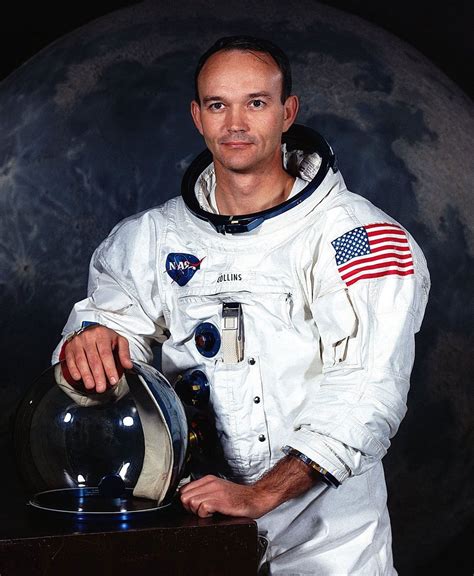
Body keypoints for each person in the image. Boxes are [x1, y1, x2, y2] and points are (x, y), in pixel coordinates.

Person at [53, 36, 430, 575]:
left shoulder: (358, 237)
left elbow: (369, 389)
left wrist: (260, 493)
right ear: (197, 117)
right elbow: (108, 338)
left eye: (255, 102)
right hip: (199, 526)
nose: (235, 124)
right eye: (217, 105)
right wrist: (89, 345)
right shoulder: (151, 239)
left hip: (331, 543)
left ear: (287, 112)